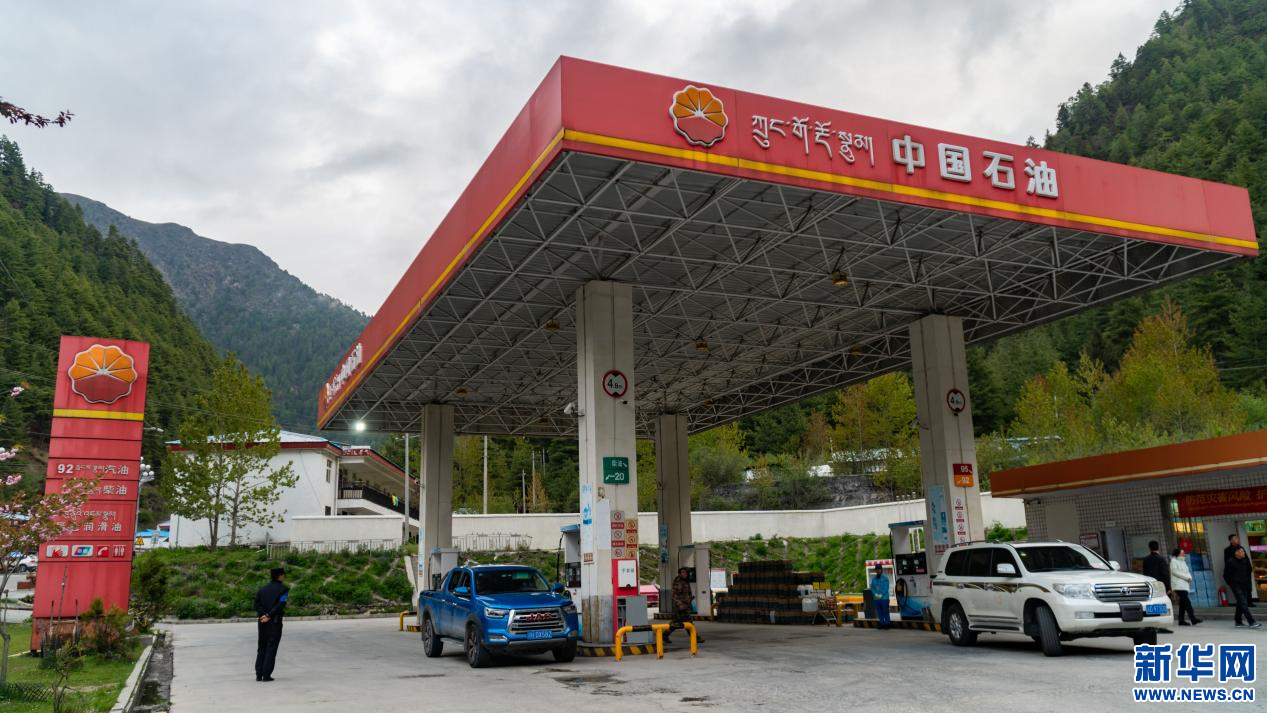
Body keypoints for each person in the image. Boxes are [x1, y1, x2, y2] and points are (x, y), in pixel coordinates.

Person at [254, 567, 289, 681]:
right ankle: (266, 674)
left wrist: (263, 615)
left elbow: (256, 604)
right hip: (275, 622)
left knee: (261, 647)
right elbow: (281, 604)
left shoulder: (262, 589)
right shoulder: (284, 590)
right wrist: (269, 615)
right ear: (280, 576)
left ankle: (258, 674)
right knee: (271, 648)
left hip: (262, 622)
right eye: (283, 575)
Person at [664, 567, 703, 644]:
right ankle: (695, 638)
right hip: (680, 606)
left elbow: (686, 593)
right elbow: (674, 595)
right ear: (679, 574)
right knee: (688, 622)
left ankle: (664, 635)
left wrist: (690, 598)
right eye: (683, 572)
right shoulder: (678, 582)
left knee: (678, 623)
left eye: (686, 573)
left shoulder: (685, 581)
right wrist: (679, 604)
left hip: (685, 605)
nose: (685, 574)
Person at [1225, 546, 1261, 629]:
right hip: (1235, 585)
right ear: (1236, 553)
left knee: (1240, 603)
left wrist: (1247, 582)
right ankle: (1251, 621)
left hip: (1244, 584)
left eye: (1243, 551)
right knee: (1243, 602)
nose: (1244, 553)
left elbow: (1248, 572)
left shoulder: (1245, 561)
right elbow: (1226, 575)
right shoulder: (1230, 561)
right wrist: (1232, 583)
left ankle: (1238, 621)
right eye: (1242, 551)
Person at [1169, 548, 1200, 626]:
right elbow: (1175, 572)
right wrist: (1186, 577)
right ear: (1178, 554)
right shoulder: (1173, 561)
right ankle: (1193, 618)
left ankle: (1181, 620)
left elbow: (1187, 571)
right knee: (1187, 602)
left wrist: (1190, 577)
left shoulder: (1183, 561)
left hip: (1184, 584)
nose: (1184, 554)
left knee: (1182, 603)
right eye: (1182, 553)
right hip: (1178, 585)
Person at [870, 564, 891, 629]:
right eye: (877, 569)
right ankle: (882, 623)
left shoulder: (885, 578)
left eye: (879, 569)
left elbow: (886, 587)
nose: (878, 571)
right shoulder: (873, 579)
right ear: (875, 570)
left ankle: (887, 623)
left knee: (885, 611)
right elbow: (872, 588)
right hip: (876, 598)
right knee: (879, 611)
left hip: (884, 598)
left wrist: (881, 594)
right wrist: (875, 594)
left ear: (881, 570)